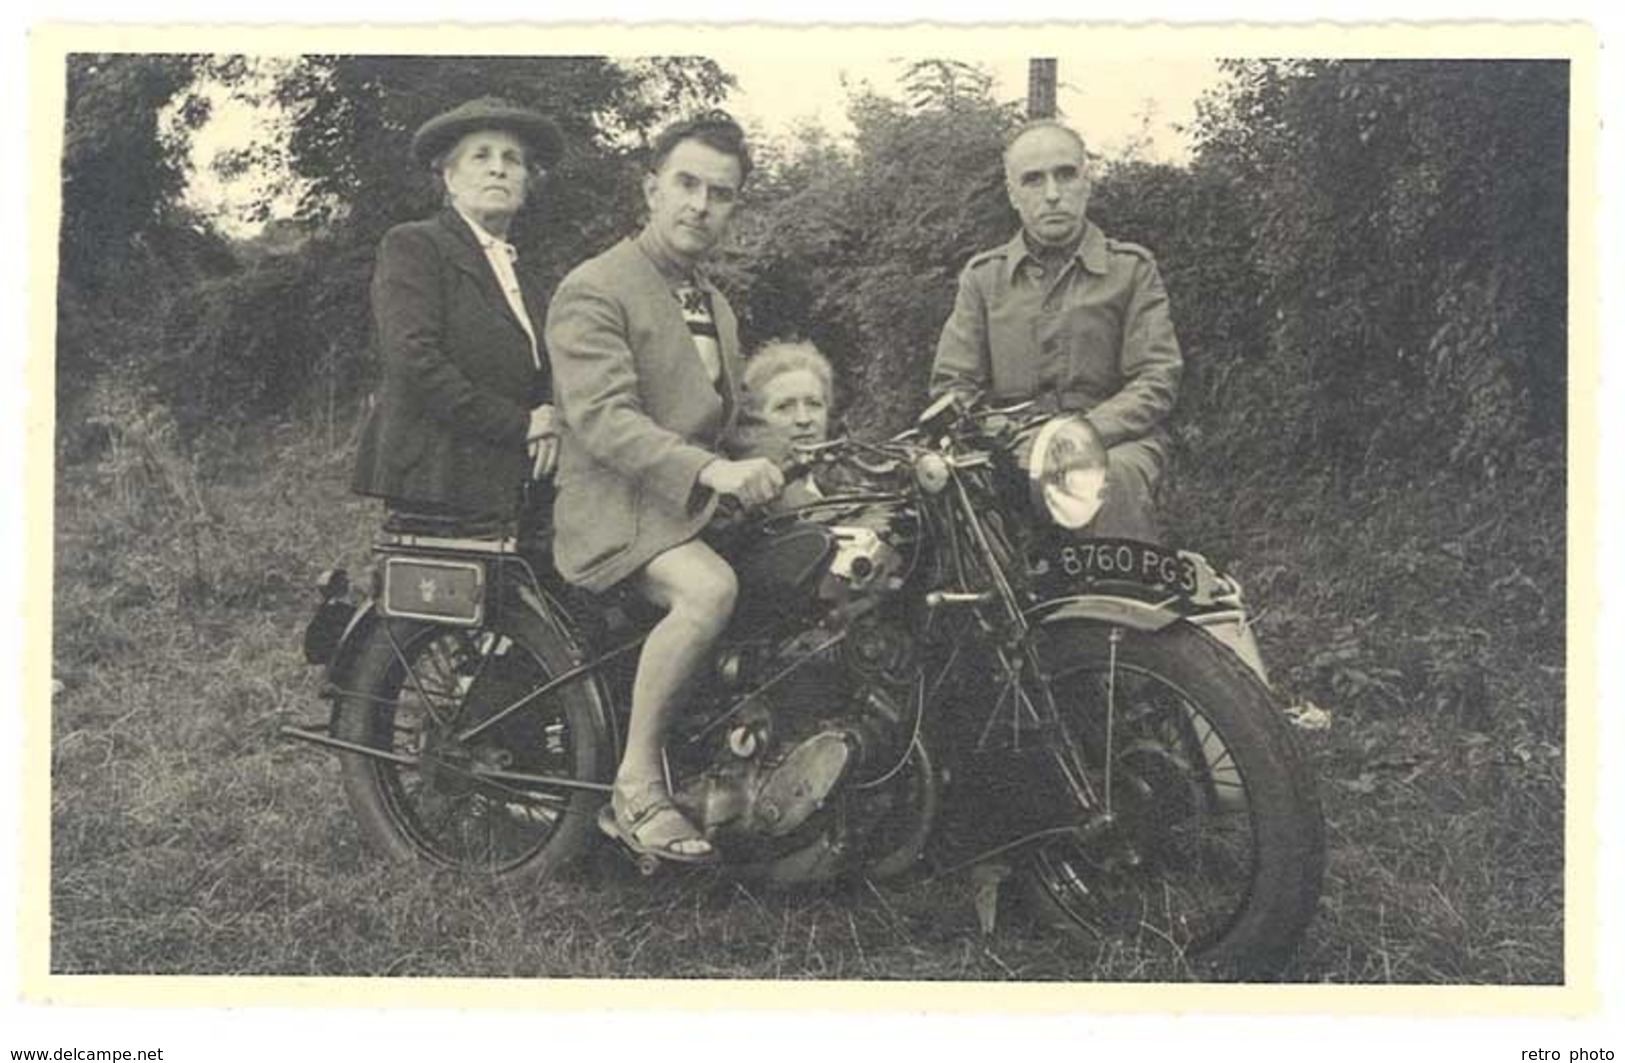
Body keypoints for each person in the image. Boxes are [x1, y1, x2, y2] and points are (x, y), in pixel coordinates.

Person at [545, 111, 782, 864]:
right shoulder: (595, 287)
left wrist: (808, 455)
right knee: (708, 590)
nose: (699, 205)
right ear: (650, 187)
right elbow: (604, 420)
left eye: (720, 193)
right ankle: (636, 780)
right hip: (611, 505)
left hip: (683, 500)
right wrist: (712, 470)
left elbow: (727, 423)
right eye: (685, 183)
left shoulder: (712, 302)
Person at [930, 119, 1183, 542]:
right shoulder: (983, 278)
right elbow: (953, 386)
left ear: (1087, 182)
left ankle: (1117, 602)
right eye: (1033, 180)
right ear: (1013, 195)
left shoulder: (1131, 269)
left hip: (1112, 439)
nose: (1052, 194)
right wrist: (1006, 440)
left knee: (1111, 478)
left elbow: (1156, 378)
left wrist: (1078, 437)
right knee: (951, 497)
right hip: (1009, 444)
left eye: (1065, 174)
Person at [352, 97, 564, 529]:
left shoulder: (527, 280)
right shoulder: (415, 245)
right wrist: (520, 423)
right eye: (481, 156)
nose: (498, 168)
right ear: (450, 177)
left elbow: (541, 369)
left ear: (526, 182)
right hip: (436, 480)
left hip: (511, 480)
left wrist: (548, 415)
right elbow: (413, 359)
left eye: (513, 160)